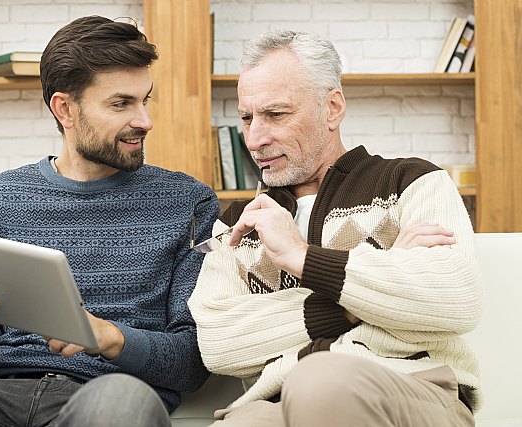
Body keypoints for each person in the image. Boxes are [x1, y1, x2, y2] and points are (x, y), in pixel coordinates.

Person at [0, 15, 218, 426]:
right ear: (65, 108)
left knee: (121, 401)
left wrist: (110, 338)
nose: (144, 120)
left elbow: (192, 365)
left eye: (144, 99)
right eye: (120, 103)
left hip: (107, 399)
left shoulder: (186, 202)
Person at [188, 30, 481, 427]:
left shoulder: (412, 181)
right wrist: (358, 298)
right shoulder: (238, 223)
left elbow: (454, 299)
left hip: (409, 387)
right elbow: (220, 344)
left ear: (332, 107)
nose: (255, 138)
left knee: (319, 381)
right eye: (246, 117)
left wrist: (302, 258)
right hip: (276, 402)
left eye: (276, 114)